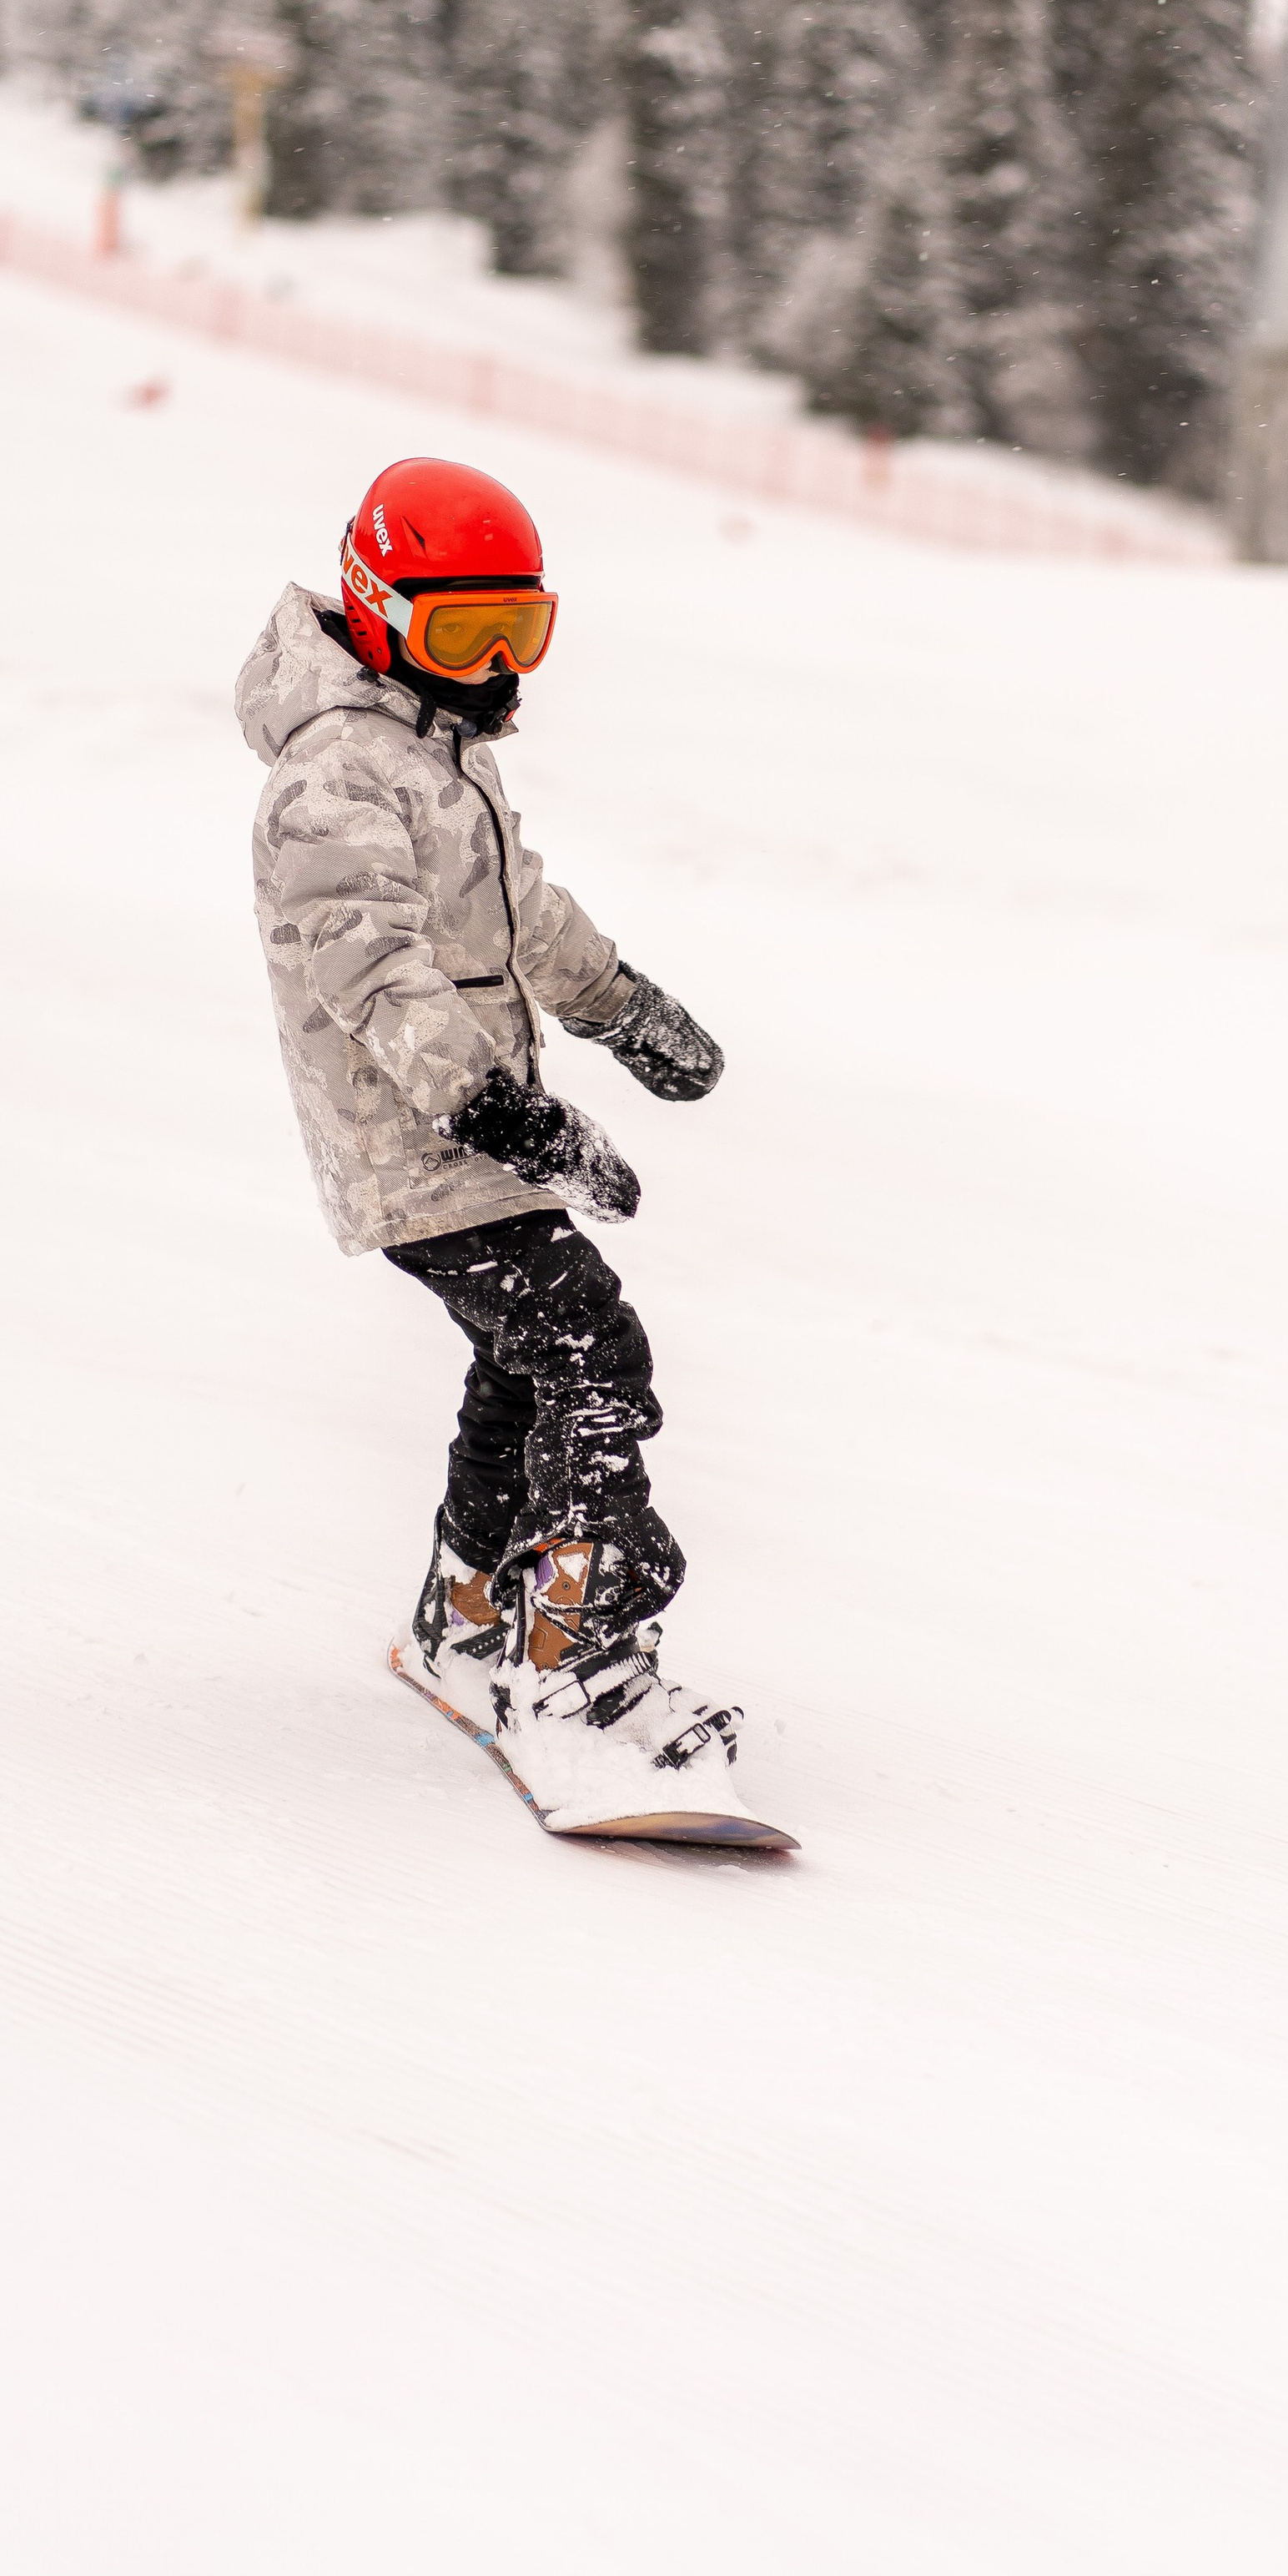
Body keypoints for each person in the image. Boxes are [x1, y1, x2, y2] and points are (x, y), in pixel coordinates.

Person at [234, 456, 768, 1841]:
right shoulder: (334, 780)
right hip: (413, 1138)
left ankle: (469, 1614)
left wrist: (624, 1008)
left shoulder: (433, 754)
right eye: (459, 635)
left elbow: (523, 912)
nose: (491, 667)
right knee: (593, 1351)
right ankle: (575, 1673)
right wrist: (509, 1113)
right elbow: (374, 976)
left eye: (514, 632)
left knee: (526, 1358)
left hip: (464, 1126)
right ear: (377, 609)